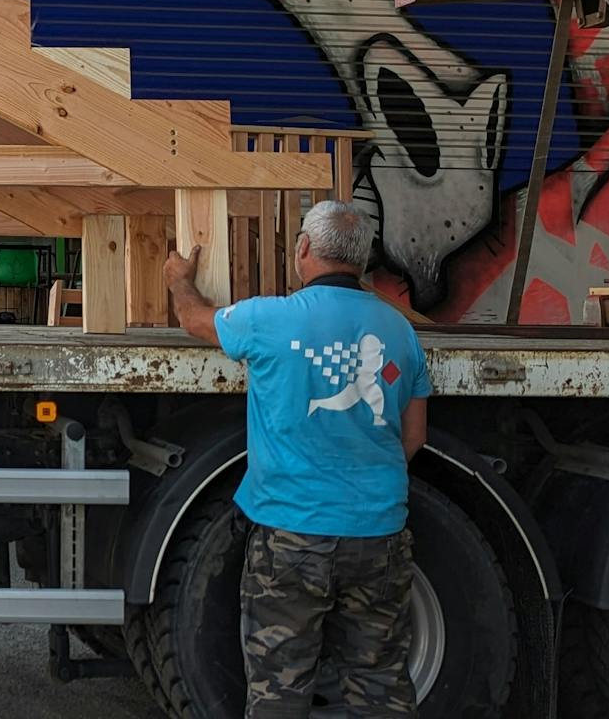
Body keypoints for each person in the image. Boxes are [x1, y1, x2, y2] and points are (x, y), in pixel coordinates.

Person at [163, 199, 430, 717]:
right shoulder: (400, 332)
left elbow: (194, 319)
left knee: (280, 686)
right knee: (379, 681)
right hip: (379, 533)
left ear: (304, 249)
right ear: (363, 258)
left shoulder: (269, 319)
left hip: (292, 537)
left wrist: (179, 276)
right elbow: (413, 437)